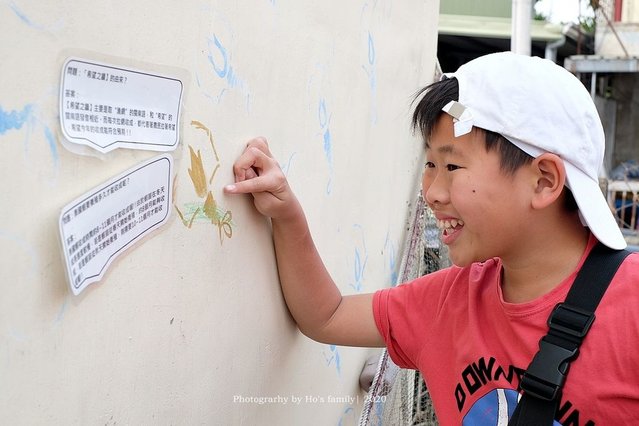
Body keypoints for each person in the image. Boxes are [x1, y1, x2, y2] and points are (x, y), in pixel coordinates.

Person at [223, 52, 639, 424]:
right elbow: (326, 316)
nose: (433, 191)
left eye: (452, 166)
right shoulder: (449, 301)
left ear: (544, 180)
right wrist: (287, 213)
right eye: (429, 164)